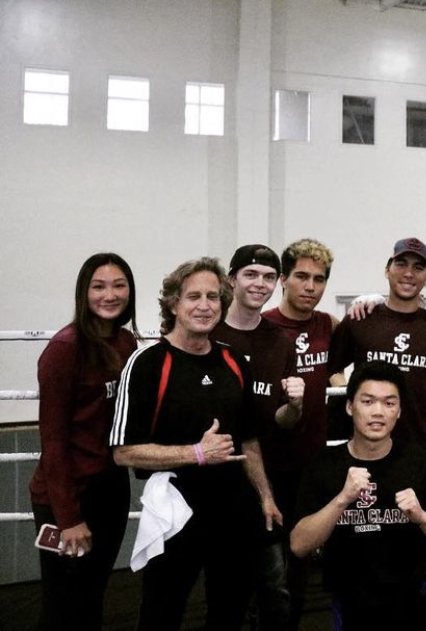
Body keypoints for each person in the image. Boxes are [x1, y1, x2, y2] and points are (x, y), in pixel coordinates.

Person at [110, 257, 280, 631]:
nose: (204, 306)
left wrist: (265, 495)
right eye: (193, 297)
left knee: (230, 610)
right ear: (174, 304)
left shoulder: (233, 360)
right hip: (176, 510)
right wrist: (196, 453)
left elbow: (248, 437)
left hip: (234, 508)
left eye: (213, 297)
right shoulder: (147, 363)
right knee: (161, 611)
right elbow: (123, 451)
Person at [290, 363, 426, 630]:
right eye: (368, 401)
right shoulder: (324, 464)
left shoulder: (419, 461)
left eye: (389, 403)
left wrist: (422, 518)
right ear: (349, 407)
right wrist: (342, 499)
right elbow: (299, 544)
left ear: (399, 411)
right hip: (355, 600)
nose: (378, 412)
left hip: (415, 592)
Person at [29, 253, 140, 631]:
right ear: (83, 292)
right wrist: (69, 517)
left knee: (93, 595)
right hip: (67, 494)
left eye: (119, 285)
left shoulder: (126, 343)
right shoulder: (64, 349)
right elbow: (54, 440)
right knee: (63, 604)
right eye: (99, 286)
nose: (110, 295)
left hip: (110, 488)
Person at [211, 244, 302, 631]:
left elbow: (281, 420)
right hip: (217, 480)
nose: (259, 284)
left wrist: (296, 405)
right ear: (232, 279)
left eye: (268, 277)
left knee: (275, 585)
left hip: (271, 474)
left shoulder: (279, 340)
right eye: (251, 274)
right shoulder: (209, 330)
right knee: (226, 589)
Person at [261, 237, 338, 628]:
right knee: (269, 568)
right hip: (267, 463)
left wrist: (370, 303)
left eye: (319, 279)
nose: (311, 286)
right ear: (284, 280)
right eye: (302, 277)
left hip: (311, 461)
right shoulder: (264, 326)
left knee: (301, 558)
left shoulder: (327, 324)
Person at [329, 237, 426, 452]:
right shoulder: (360, 319)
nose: (408, 273)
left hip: (422, 451)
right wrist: (344, 391)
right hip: (367, 451)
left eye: (418, 267)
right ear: (386, 270)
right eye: (401, 264)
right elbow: (329, 367)